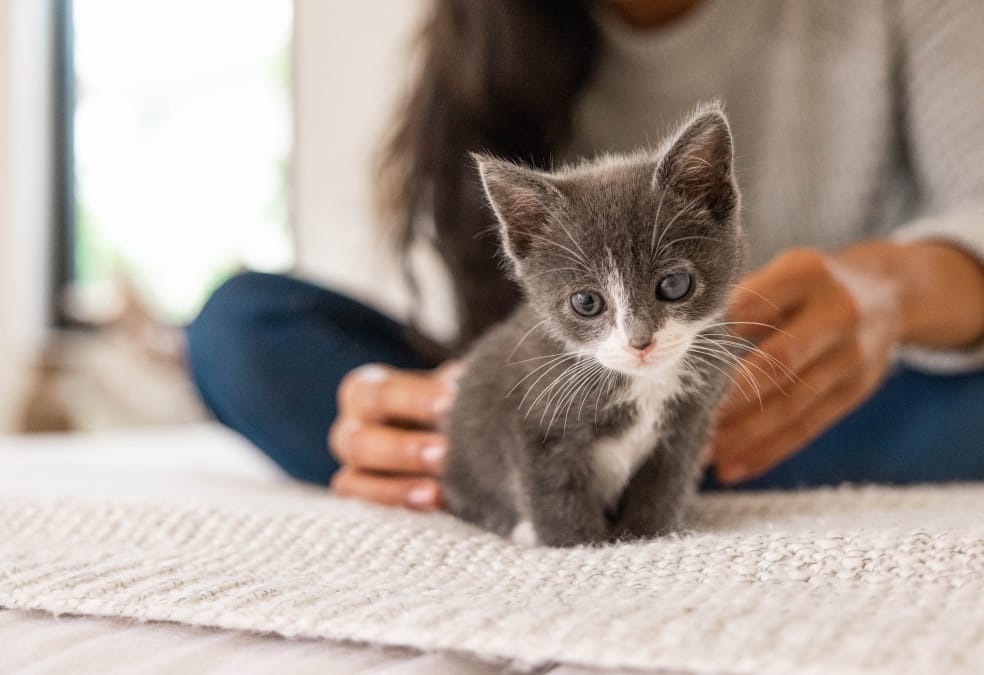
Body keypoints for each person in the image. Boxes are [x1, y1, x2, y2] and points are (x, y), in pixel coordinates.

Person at [187, 0, 984, 511]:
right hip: (557, 395)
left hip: (805, 396)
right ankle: (515, 469)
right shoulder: (484, 35)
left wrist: (892, 289)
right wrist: (411, 411)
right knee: (242, 324)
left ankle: (623, 476)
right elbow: (468, 329)